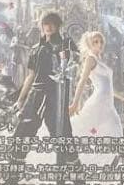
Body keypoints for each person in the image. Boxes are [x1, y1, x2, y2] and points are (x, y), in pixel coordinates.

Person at [12, 12, 80, 166]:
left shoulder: (66, 45)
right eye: (46, 23)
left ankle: (75, 173)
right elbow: (31, 76)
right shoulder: (36, 49)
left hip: (57, 95)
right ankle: (14, 171)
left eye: (52, 24)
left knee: (63, 135)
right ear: (42, 26)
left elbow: (76, 66)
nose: (49, 27)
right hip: (36, 94)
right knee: (23, 131)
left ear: (57, 26)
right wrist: (21, 99)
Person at [69, 30, 124, 164]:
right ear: (90, 44)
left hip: (107, 103)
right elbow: (82, 81)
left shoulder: (100, 61)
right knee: (92, 130)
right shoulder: (90, 59)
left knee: (113, 131)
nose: (99, 44)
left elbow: (110, 88)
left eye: (101, 41)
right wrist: (75, 103)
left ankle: (105, 163)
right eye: (95, 42)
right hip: (98, 102)